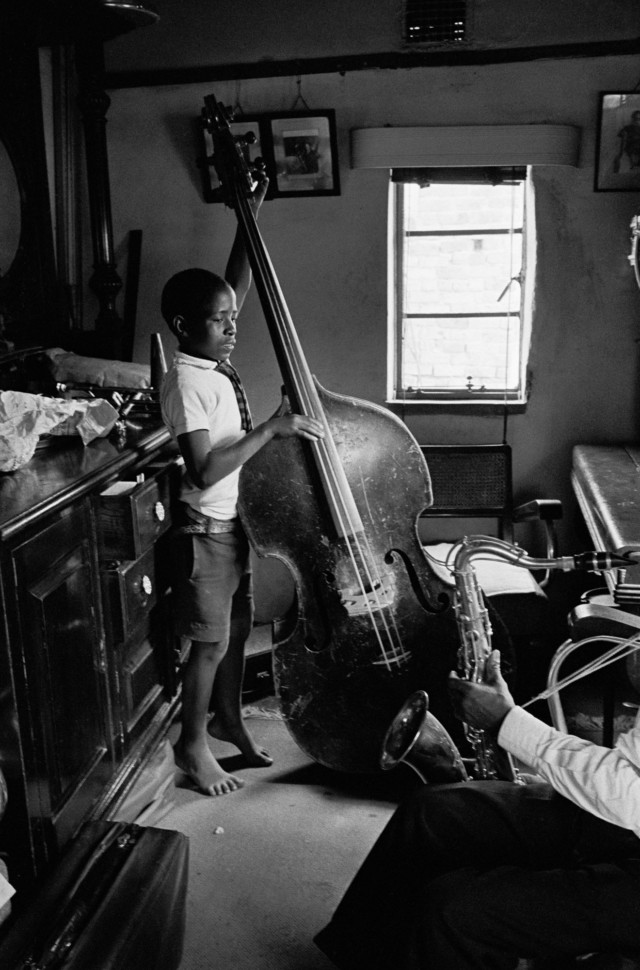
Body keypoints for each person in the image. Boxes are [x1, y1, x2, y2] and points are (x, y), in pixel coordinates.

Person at [315, 649, 640, 969]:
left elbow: (628, 793)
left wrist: (506, 722)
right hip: (624, 823)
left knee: (454, 912)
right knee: (430, 811)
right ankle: (359, 958)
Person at [160, 176, 324, 796]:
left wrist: (246, 216)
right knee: (207, 644)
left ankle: (228, 720)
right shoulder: (187, 382)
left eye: (233, 319)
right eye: (220, 321)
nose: (233, 328)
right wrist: (272, 429)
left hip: (233, 525)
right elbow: (202, 469)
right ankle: (191, 745)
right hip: (204, 531)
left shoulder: (211, 361)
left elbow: (234, 286)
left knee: (234, 631)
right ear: (184, 325)